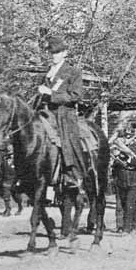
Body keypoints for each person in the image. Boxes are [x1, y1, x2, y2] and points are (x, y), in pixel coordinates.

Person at [38, 36, 85, 189]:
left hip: (65, 113)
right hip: (47, 112)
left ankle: (72, 173)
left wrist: (51, 94)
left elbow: (75, 96)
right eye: (52, 53)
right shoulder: (48, 72)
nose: (54, 56)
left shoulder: (73, 71)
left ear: (65, 53)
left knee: (67, 139)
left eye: (57, 52)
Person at [111, 128, 136, 237]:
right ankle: (126, 225)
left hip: (134, 181)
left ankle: (127, 228)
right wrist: (115, 157)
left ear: (133, 138)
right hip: (121, 180)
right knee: (122, 204)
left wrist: (129, 157)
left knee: (130, 204)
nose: (126, 139)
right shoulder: (117, 149)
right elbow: (115, 166)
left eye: (129, 137)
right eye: (124, 137)